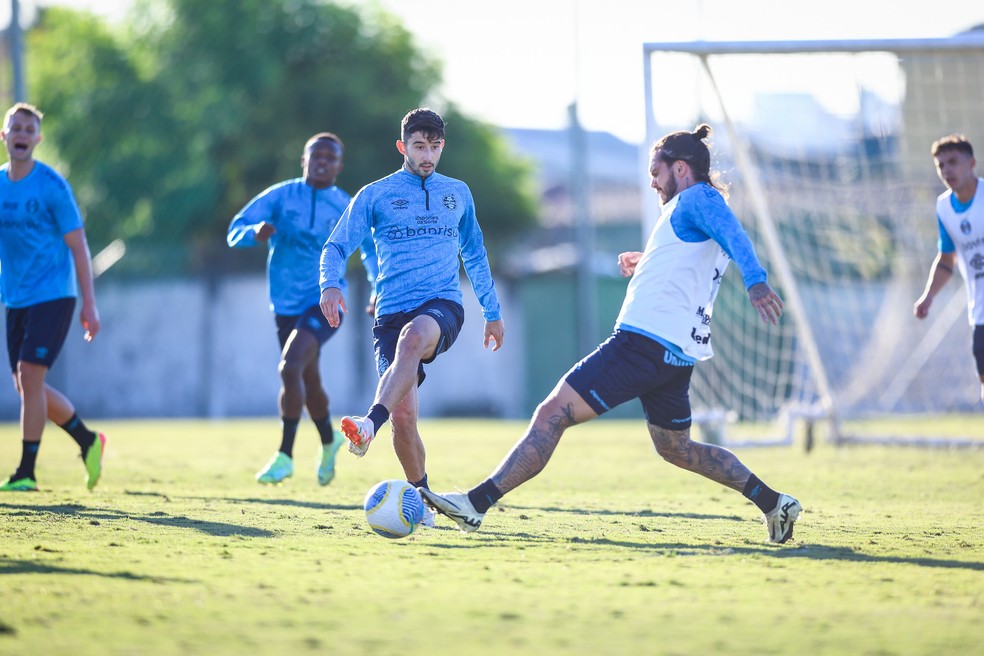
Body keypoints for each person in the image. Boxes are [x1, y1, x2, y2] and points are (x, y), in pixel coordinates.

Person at [419, 124, 803, 544]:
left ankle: (475, 504)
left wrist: (756, 281)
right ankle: (774, 503)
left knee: (552, 414)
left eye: (656, 172)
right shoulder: (689, 209)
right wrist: (649, 259)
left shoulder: (699, 198)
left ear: (680, 168)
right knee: (678, 449)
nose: (652, 182)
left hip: (643, 343)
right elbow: (695, 256)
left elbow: (735, 236)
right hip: (674, 354)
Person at [319, 108, 504, 501]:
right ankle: (423, 501)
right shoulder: (376, 194)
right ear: (403, 146)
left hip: (442, 308)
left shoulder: (458, 193)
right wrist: (330, 285)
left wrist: (492, 312)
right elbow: (336, 245)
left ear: (442, 148)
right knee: (402, 420)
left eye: (435, 147)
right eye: (419, 147)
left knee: (414, 335)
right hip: (389, 314)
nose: (427, 156)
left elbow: (474, 253)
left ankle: (368, 422)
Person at [227, 132, 377, 486]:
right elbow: (235, 229)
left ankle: (285, 455)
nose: (322, 161)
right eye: (316, 156)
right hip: (284, 304)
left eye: (330, 157)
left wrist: (377, 288)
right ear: (304, 160)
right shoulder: (281, 196)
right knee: (306, 378)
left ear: (339, 166)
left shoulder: (345, 205)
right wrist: (255, 233)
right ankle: (329, 441)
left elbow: (370, 249)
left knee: (289, 365)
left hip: (326, 302)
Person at [0, 102, 106, 492]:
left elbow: (79, 248)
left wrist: (89, 304)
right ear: (5, 136)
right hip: (15, 298)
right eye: (16, 128)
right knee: (27, 386)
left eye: (30, 129)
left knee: (29, 377)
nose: (23, 135)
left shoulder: (52, 186)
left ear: (38, 139)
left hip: (54, 295)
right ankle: (88, 441)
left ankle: (26, 471)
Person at [914, 134, 984, 405]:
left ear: (972, 163)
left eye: (953, 162)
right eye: (941, 165)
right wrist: (929, 295)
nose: (946, 170)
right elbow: (947, 259)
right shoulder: (944, 208)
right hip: (980, 314)